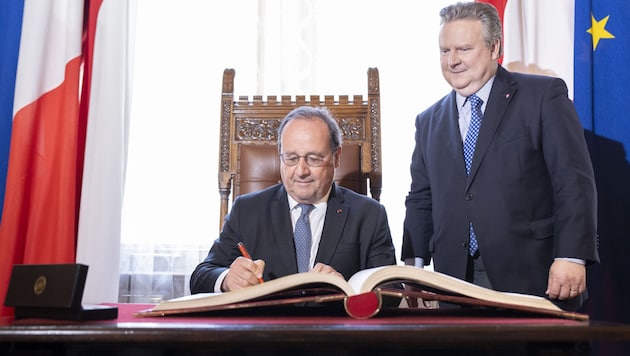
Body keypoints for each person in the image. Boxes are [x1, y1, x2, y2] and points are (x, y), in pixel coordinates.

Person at [402, 2, 599, 311]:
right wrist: (413, 269)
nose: (452, 61)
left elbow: (573, 182)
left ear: (494, 48)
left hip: (534, 276)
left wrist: (571, 256)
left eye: (463, 49)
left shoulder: (543, 96)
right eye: (444, 51)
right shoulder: (428, 120)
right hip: (453, 283)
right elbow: (421, 199)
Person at [191, 106, 397, 293]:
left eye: (314, 158)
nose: (301, 171)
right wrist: (227, 279)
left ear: (336, 157)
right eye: (291, 158)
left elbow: (392, 289)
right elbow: (201, 276)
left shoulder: (370, 215)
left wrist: (349, 290)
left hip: (336, 330)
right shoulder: (246, 210)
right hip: (263, 331)